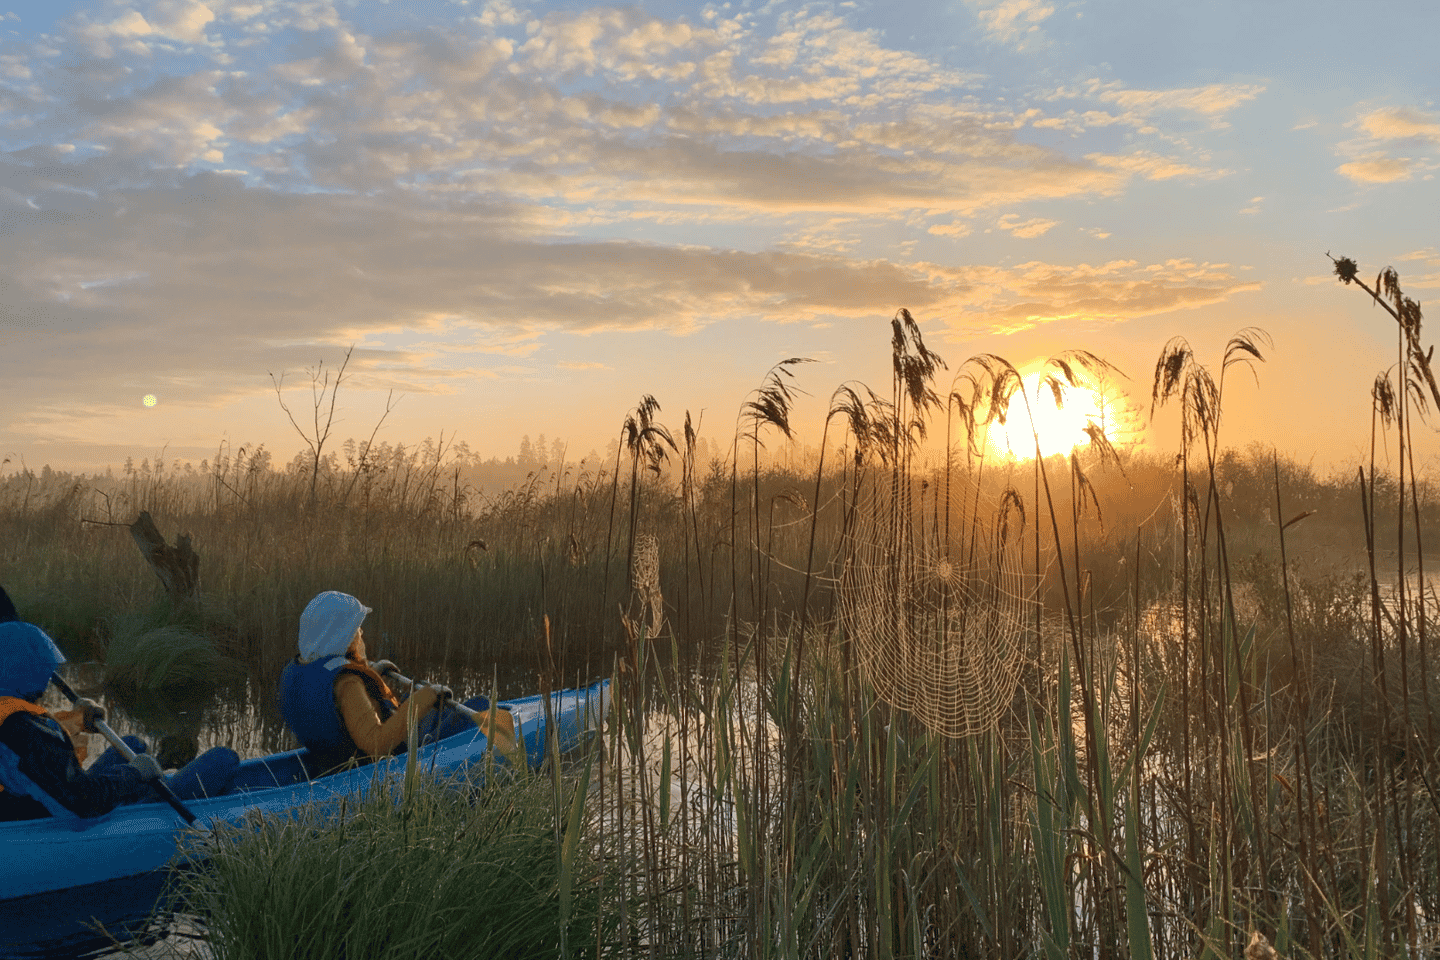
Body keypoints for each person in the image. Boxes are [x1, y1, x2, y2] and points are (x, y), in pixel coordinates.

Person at [0, 620, 239, 821]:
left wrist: (78, 720)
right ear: (26, 672)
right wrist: (133, 774)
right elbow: (85, 802)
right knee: (224, 758)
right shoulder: (23, 733)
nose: (47, 681)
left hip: (37, 800)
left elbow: (31, 748)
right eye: (44, 672)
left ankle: (151, 776)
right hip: (61, 818)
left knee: (133, 744)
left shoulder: (12, 719)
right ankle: (153, 789)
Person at [280, 591, 510, 774]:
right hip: (367, 769)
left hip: (330, 759)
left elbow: (333, 703)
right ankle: (503, 747)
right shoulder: (348, 685)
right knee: (478, 706)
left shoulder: (303, 669)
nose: (360, 632)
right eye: (356, 628)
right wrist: (424, 698)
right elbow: (376, 744)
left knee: (408, 700)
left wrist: (371, 674)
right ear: (341, 635)